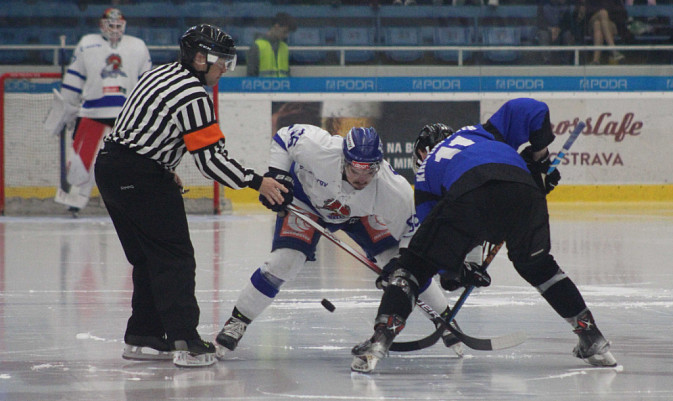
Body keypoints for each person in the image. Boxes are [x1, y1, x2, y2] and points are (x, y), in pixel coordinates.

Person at [351, 98, 617, 373]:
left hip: (469, 196)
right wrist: (539, 162)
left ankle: (380, 341)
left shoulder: (426, 173)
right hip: (524, 192)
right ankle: (593, 339)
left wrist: (453, 271)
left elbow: (436, 246)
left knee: (411, 270)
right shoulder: (482, 133)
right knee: (539, 267)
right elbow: (532, 109)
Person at [94, 24, 290, 368]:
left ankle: (143, 337)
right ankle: (186, 340)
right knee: (174, 258)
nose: (225, 70)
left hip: (111, 169)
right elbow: (211, 161)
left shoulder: (160, 74)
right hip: (139, 177)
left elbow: (135, 129)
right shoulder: (193, 94)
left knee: (149, 258)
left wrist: (158, 164)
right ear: (200, 58)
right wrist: (257, 182)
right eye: (222, 63)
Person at [215, 124, 475, 358]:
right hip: (306, 202)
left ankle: (445, 321)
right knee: (284, 262)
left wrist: (402, 262)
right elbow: (285, 138)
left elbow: (411, 233)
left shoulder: (393, 190)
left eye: (370, 170)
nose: (362, 178)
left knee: (403, 268)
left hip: (357, 215)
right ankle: (237, 321)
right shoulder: (320, 147)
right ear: (344, 159)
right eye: (356, 169)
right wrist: (278, 174)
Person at [44, 8, 152, 217]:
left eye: (117, 25)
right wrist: (68, 107)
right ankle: (76, 201)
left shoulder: (138, 46)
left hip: (126, 114)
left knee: (131, 160)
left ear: (124, 26)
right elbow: (73, 80)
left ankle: (133, 200)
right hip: (93, 110)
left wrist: (145, 112)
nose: (114, 29)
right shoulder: (87, 43)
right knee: (80, 161)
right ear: (101, 25)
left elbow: (147, 83)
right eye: (109, 25)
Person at [576, 0, 629, 65]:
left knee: (597, 24)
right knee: (603, 13)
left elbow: (622, 13)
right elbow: (584, 14)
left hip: (610, 24)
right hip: (590, 22)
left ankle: (595, 60)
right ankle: (614, 51)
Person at [246, 12, 297, 77]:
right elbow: (251, 76)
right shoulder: (257, 47)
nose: (286, 36)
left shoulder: (284, 48)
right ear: (276, 26)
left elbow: (286, 73)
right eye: (285, 32)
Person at [537, 0, 577, 64]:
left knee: (567, 35)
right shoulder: (543, 5)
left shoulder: (565, 5)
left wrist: (559, 29)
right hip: (548, 30)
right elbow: (540, 22)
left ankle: (565, 61)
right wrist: (551, 29)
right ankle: (546, 61)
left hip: (561, 31)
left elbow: (567, 22)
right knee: (543, 35)